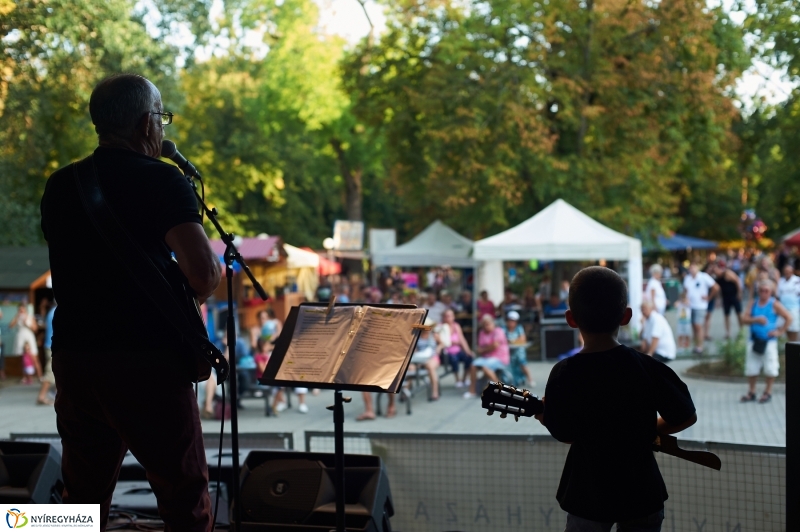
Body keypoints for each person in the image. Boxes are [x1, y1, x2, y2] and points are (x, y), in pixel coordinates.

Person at [41, 74, 221, 530]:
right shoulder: (163, 180)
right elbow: (204, 273)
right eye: (160, 117)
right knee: (185, 499)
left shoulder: (61, 185)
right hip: (148, 364)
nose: (162, 128)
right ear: (146, 124)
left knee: (79, 498)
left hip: (76, 358)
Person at [535, 266, 697, 531]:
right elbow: (686, 415)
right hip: (642, 491)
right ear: (626, 316)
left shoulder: (565, 373)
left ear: (571, 319)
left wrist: (544, 415)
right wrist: (647, 432)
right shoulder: (648, 367)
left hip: (588, 493)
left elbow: (565, 433)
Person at [740, 280, 792, 404]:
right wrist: (756, 319)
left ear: (771, 292)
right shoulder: (753, 303)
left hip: (769, 340)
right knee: (751, 367)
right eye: (761, 290)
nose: (763, 293)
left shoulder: (774, 304)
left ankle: (768, 392)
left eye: (766, 291)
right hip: (754, 339)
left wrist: (779, 332)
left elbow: (788, 317)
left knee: (770, 367)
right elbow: (744, 319)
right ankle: (751, 391)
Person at [463, 314, 510, 399]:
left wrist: (484, 349)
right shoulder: (482, 332)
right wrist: (485, 349)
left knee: (485, 367)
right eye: (484, 324)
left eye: (488, 324)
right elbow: (480, 347)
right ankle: (472, 390)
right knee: (473, 366)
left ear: (493, 323)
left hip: (499, 357)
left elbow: (494, 345)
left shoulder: (498, 331)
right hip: (486, 357)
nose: (486, 326)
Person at [682, 263, 718, 354]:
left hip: (700, 306)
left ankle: (700, 347)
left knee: (698, 325)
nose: (692, 269)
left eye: (693, 267)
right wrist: (685, 298)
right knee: (694, 326)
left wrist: (709, 297)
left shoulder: (704, 276)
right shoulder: (687, 278)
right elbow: (685, 291)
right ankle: (696, 345)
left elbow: (716, 287)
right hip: (690, 306)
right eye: (690, 268)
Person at [439, 309, 474, 388]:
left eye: (450, 316)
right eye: (447, 316)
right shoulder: (440, 327)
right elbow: (443, 341)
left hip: (457, 350)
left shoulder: (456, 326)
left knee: (469, 357)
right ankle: (457, 379)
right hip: (447, 352)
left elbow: (462, 340)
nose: (448, 318)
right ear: (444, 317)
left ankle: (464, 378)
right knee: (454, 359)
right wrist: (454, 342)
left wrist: (468, 351)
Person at [407, 318, 440, 400]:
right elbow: (414, 350)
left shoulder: (434, 335)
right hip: (419, 359)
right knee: (410, 368)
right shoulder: (417, 336)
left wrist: (439, 348)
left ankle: (435, 392)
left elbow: (442, 343)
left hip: (432, 357)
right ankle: (406, 391)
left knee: (430, 367)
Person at [501, 310, 533, 387]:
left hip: (519, 351)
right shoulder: (503, 328)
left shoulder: (519, 328)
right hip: (508, 351)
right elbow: (502, 339)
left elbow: (523, 339)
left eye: (513, 321)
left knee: (522, 362)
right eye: (510, 320)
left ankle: (530, 379)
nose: (511, 323)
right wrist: (515, 340)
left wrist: (512, 341)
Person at [715, 259, 743, 340]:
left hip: (734, 295)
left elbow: (737, 281)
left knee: (739, 313)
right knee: (726, 315)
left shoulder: (727, 274)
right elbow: (718, 289)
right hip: (725, 297)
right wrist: (718, 299)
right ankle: (728, 333)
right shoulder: (717, 278)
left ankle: (741, 331)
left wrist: (739, 293)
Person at [37, 302, 57, 405]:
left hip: (50, 344)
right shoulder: (56, 312)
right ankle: (41, 396)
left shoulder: (52, 311)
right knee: (50, 371)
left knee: (56, 370)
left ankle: (55, 394)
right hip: (52, 345)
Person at [776, 264, 800, 342]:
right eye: (785, 271)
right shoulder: (781, 281)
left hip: (794, 309)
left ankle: (794, 348)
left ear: (792, 271)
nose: (787, 273)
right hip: (782, 309)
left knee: (793, 329)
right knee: (781, 328)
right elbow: (778, 296)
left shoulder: (797, 281)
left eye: (789, 271)